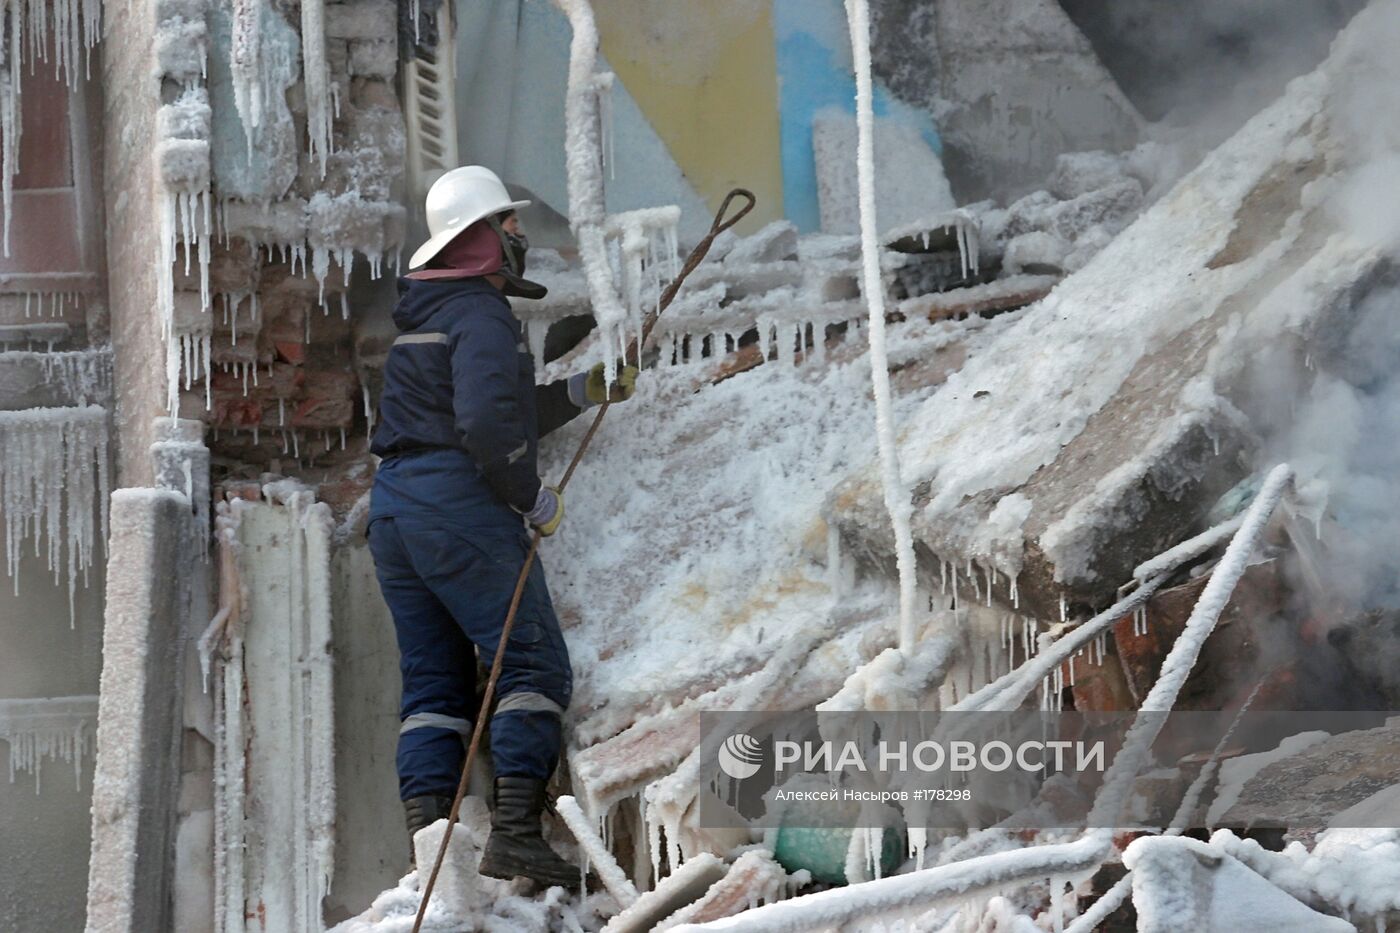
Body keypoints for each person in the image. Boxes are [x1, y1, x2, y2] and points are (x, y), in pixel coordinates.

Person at [366, 165, 638, 888]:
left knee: (436, 684)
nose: (521, 235)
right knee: (531, 660)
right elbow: (487, 425)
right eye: (509, 224)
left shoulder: (431, 316)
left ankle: (433, 856)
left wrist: (585, 391)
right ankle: (516, 833)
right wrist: (529, 495)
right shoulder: (481, 315)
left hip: (393, 509)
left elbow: (498, 407)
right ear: (482, 240)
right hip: (455, 503)